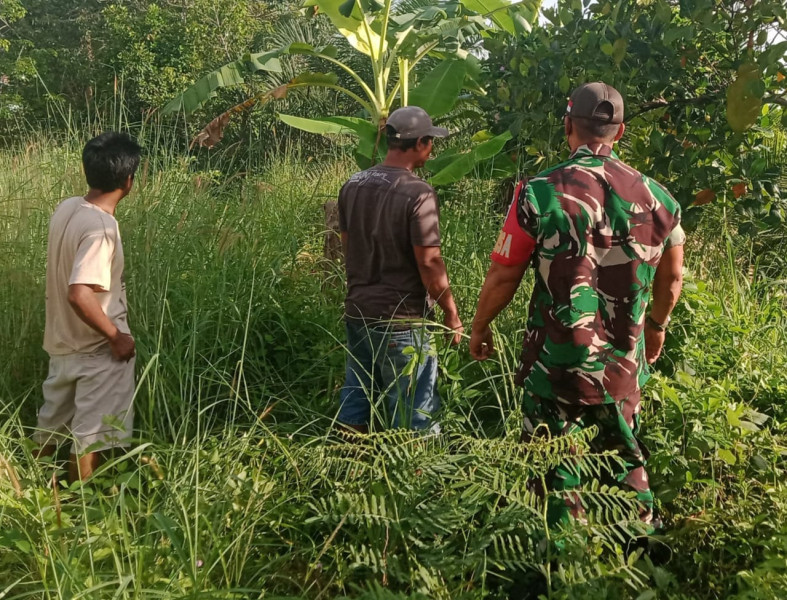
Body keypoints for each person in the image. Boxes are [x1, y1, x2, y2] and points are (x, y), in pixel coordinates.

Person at [470, 83, 685, 527]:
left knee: (550, 470)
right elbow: (673, 277)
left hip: (556, 363)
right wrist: (656, 328)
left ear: (568, 125)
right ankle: (634, 556)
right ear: (620, 131)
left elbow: (505, 272)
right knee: (623, 464)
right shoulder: (660, 199)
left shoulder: (538, 193)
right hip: (623, 364)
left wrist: (480, 326)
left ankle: (560, 559)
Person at [337, 106, 463, 433]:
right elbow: (429, 262)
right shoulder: (418, 193)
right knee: (415, 414)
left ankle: (344, 469)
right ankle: (414, 477)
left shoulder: (353, 184)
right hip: (402, 320)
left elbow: (347, 246)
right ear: (420, 143)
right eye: (430, 140)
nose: (432, 147)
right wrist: (451, 313)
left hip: (358, 312)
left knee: (357, 396)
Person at [34, 132, 141, 481]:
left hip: (62, 344)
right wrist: (116, 337)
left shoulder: (68, 207)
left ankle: (29, 489)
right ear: (128, 180)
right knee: (90, 438)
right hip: (96, 351)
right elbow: (79, 293)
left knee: (51, 428)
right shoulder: (101, 229)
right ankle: (79, 512)